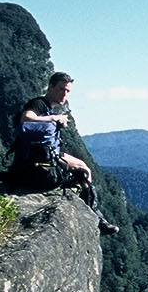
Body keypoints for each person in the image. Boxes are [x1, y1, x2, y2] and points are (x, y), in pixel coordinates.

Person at [11, 72, 119, 234]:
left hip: (40, 156)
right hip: (38, 159)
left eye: (68, 91)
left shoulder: (47, 107)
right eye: (61, 89)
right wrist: (54, 118)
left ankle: (96, 215)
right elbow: (27, 118)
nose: (64, 94)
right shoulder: (39, 104)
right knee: (83, 171)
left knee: (83, 167)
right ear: (51, 87)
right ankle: (97, 217)